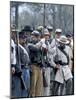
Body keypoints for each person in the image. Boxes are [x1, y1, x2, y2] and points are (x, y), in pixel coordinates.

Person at [28, 30, 43, 97]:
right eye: (34, 36)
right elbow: (35, 48)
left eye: (37, 36)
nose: (36, 38)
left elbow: (43, 54)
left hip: (39, 67)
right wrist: (41, 42)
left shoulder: (40, 45)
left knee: (39, 87)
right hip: (33, 66)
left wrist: (44, 49)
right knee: (33, 87)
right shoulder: (29, 44)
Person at [11, 28, 22, 98]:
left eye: (15, 33)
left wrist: (13, 66)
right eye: (13, 32)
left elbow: (14, 56)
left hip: (14, 67)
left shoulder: (13, 42)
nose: (14, 34)